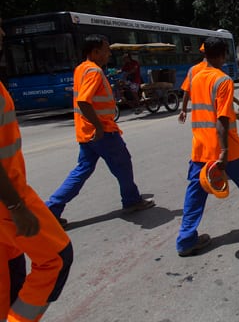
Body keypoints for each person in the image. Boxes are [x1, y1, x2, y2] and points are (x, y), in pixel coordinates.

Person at [0, 17, 73, 321]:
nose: (3, 33)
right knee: (57, 257)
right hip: (8, 199)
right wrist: (16, 206)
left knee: (10, 277)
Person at [46, 35, 155, 226]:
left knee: (82, 170)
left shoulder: (81, 68)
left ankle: (51, 209)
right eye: (106, 50)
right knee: (123, 165)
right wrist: (98, 127)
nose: (109, 54)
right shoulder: (94, 71)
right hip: (102, 131)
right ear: (95, 52)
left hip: (86, 131)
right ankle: (132, 201)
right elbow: (83, 101)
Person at [176, 37, 239, 257]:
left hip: (201, 149)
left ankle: (186, 240)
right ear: (223, 55)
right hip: (228, 151)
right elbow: (222, 119)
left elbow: (211, 112)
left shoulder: (196, 78)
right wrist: (224, 151)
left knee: (194, 195)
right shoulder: (223, 80)